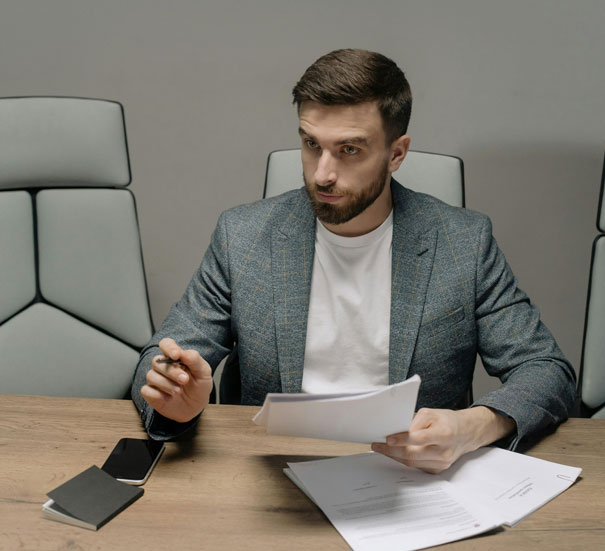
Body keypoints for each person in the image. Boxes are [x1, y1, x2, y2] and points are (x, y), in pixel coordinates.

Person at [132, 49, 576, 474]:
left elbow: (546, 371)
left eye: (349, 150)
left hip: (413, 475)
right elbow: (159, 359)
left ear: (396, 153)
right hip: (276, 472)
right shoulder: (243, 237)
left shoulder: (463, 243)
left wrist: (471, 427)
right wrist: (176, 397)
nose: (322, 173)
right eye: (311, 144)